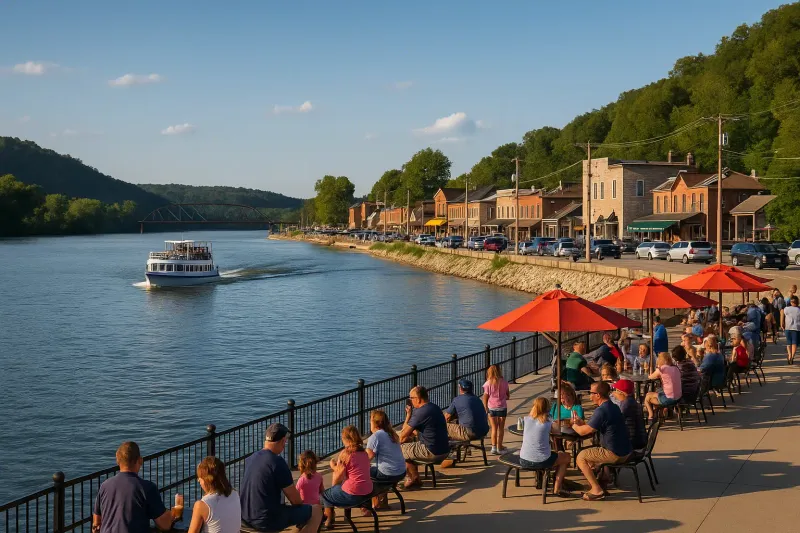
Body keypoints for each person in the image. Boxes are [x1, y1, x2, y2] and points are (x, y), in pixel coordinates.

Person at [240, 424, 322, 533]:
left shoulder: (251, 458)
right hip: (267, 521)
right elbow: (295, 500)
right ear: (283, 441)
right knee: (316, 511)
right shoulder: (277, 462)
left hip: (244, 517)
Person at [92, 442, 184, 533]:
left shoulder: (104, 486)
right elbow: (165, 525)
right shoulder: (147, 488)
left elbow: (96, 523)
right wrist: (172, 514)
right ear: (140, 460)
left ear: (118, 461)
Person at [572, 382, 632, 501]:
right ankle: (603, 480)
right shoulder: (613, 406)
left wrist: (573, 424)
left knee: (580, 457)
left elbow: (584, 432)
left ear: (598, 395)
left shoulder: (601, 411)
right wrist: (580, 423)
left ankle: (596, 489)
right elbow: (591, 427)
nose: (589, 396)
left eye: (591, 393)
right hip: (626, 451)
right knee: (591, 453)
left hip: (614, 453)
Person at [321, 426, 373, 530]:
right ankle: (342, 514)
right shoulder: (364, 452)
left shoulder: (346, 454)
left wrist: (332, 465)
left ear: (346, 439)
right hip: (367, 490)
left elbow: (339, 474)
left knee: (325, 495)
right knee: (344, 486)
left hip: (353, 493)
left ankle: (329, 519)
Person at [519, 397, 571, 498]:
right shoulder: (548, 422)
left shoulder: (526, 419)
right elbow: (558, 432)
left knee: (551, 454)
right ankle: (557, 488)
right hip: (542, 460)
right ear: (547, 408)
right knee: (566, 457)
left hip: (524, 459)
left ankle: (545, 479)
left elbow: (532, 418)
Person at [399, 386, 449, 489]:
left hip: (432, 452)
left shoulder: (421, 412)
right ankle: (415, 477)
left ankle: (412, 479)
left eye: (411, 398)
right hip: (444, 449)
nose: (410, 401)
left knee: (399, 449)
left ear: (418, 398)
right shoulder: (434, 407)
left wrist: (409, 417)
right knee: (409, 445)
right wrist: (409, 415)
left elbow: (403, 435)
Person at [442, 379, 489, 466]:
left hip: (470, 433)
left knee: (443, 426)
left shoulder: (457, 400)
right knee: (464, 423)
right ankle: (465, 447)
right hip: (483, 431)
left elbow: (446, 417)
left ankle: (447, 453)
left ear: (460, 388)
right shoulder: (477, 399)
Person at [187, 457, 241, 533]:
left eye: (200, 478)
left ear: (207, 481)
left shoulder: (201, 505)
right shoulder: (235, 494)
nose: (198, 480)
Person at [365, 410, 406, 509]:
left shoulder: (375, 437)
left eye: (370, 421)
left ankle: (368, 505)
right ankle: (381, 501)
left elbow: (366, 460)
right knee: (376, 468)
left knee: (363, 472)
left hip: (388, 473)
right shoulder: (392, 434)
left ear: (375, 423)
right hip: (401, 472)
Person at [644, 352, 682, 422]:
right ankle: (660, 414)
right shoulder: (676, 368)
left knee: (647, 397)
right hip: (678, 397)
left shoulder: (662, 369)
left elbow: (650, 377)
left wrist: (649, 370)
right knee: (657, 393)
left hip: (669, 398)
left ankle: (651, 415)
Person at [482, 364, 510, 455]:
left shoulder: (488, 384)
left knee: (494, 428)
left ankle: (493, 447)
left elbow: (485, 397)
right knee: (501, 429)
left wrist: (486, 408)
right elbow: (508, 396)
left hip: (492, 408)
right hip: (502, 407)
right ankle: (500, 447)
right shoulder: (504, 382)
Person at [611, 379, 647, 450]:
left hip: (633, 442)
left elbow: (617, 420)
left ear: (622, 393)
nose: (613, 393)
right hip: (639, 439)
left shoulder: (626, 404)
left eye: (615, 390)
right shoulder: (630, 401)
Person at [782, 295, 800, 365]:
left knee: (788, 342)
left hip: (788, 327)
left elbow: (782, 313)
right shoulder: (799, 309)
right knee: (794, 343)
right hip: (796, 328)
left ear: (791, 302)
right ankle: (792, 357)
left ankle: (789, 355)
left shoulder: (786, 309)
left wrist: (782, 324)